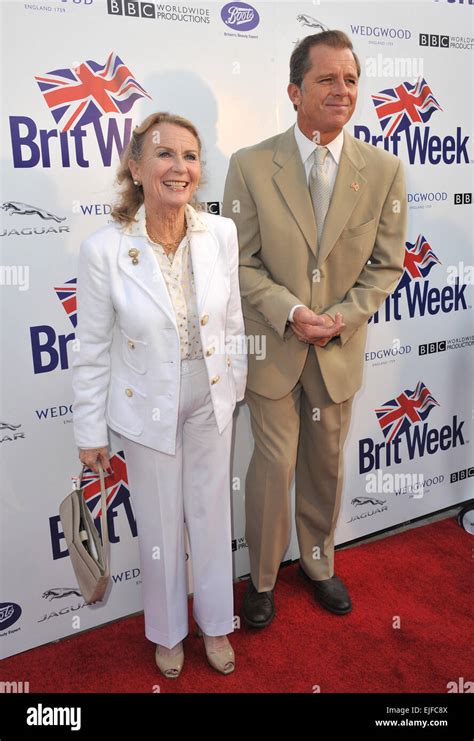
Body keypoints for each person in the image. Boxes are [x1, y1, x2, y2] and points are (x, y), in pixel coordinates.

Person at [223, 31, 407, 628]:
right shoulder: (250, 166)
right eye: (327, 79)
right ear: (294, 90)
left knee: (325, 465)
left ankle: (320, 565)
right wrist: (288, 311)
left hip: (338, 351)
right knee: (274, 468)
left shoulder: (382, 170)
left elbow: (387, 265)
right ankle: (265, 577)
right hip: (274, 349)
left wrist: (342, 319)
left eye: (350, 79)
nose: (342, 90)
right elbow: (240, 263)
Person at [72, 112, 247, 677]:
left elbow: (235, 321)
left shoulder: (219, 233)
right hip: (145, 404)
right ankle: (168, 633)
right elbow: (93, 347)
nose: (180, 167)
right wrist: (89, 433)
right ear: (136, 167)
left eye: (190, 156)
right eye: (165, 154)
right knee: (161, 524)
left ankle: (218, 624)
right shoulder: (105, 250)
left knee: (212, 515)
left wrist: (235, 384)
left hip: (210, 396)